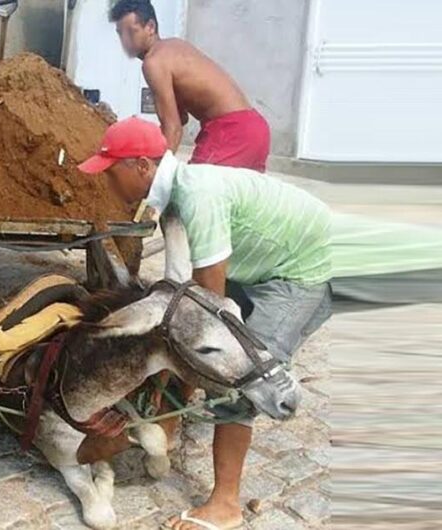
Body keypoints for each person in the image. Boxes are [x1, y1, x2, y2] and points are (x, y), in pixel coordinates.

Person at [79, 117, 332, 530]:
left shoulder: (196, 196)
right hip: (266, 260)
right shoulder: (173, 199)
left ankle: (225, 504)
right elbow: (182, 287)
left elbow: (209, 315)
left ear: (141, 166)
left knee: (237, 373)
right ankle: (171, 421)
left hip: (302, 270)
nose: (106, 184)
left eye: (111, 173)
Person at [110, 0, 271, 172]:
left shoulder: (153, 62)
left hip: (231, 132)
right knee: (236, 197)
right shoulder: (174, 46)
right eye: (120, 34)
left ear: (150, 27)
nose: (125, 40)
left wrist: (155, 173)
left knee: (189, 192)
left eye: (131, 32)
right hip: (255, 127)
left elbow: (173, 129)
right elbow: (181, 118)